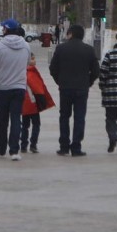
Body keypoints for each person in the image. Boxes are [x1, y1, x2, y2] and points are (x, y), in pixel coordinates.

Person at [49, 24, 99, 157]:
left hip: (65, 88)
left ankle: (64, 146)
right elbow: (95, 71)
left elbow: (53, 68)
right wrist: (88, 82)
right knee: (80, 117)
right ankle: (76, 146)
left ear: (70, 34)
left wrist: (59, 81)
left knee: (64, 116)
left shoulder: (61, 48)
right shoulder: (89, 50)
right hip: (82, 89)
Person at [0, 18, 31, 161]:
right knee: (16, 118)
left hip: (2, 88)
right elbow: (26, 65)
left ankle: (1, 148)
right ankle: (14, 150)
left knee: (2, 120)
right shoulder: (26, 46)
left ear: (5, 30)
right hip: (19, 88)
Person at [20, 52, 55, 154]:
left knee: (25, 125)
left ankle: (23, 145)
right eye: (33, 59)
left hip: (24, 104)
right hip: (32, 103)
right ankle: (33, 144)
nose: (35, 61)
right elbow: (38, 89)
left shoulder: (21, 71)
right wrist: (43, 101)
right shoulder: (31, 72)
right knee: (36, 124)